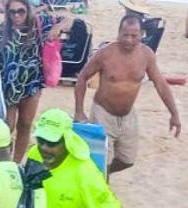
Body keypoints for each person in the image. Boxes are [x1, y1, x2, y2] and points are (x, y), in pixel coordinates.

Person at [73, 15, 181, 174]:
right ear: (118, 33)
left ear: (141, 34)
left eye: (134, 35)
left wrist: (174, 114)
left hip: (128, 115)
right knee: (103, 161)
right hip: (103, 113)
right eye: (125, 35)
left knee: (127, 160)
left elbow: (160, 84)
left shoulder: (146, 55)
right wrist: (79, 111)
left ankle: (96, 175)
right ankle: (102, 184)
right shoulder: (105, 54)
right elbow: (82, 78)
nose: (129, 40)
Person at [0, 0, 72, 164]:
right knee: (6, 127)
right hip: (8, 86)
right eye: (12, 12)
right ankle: (3, 161)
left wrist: (56, 28)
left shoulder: (39, 23)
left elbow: (69, 20)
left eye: (21, 11)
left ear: (28, 10)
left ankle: (16, 163)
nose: (17, 15)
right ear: (7, 13)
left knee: (25, 124)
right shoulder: (2, 30)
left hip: (31, 85)